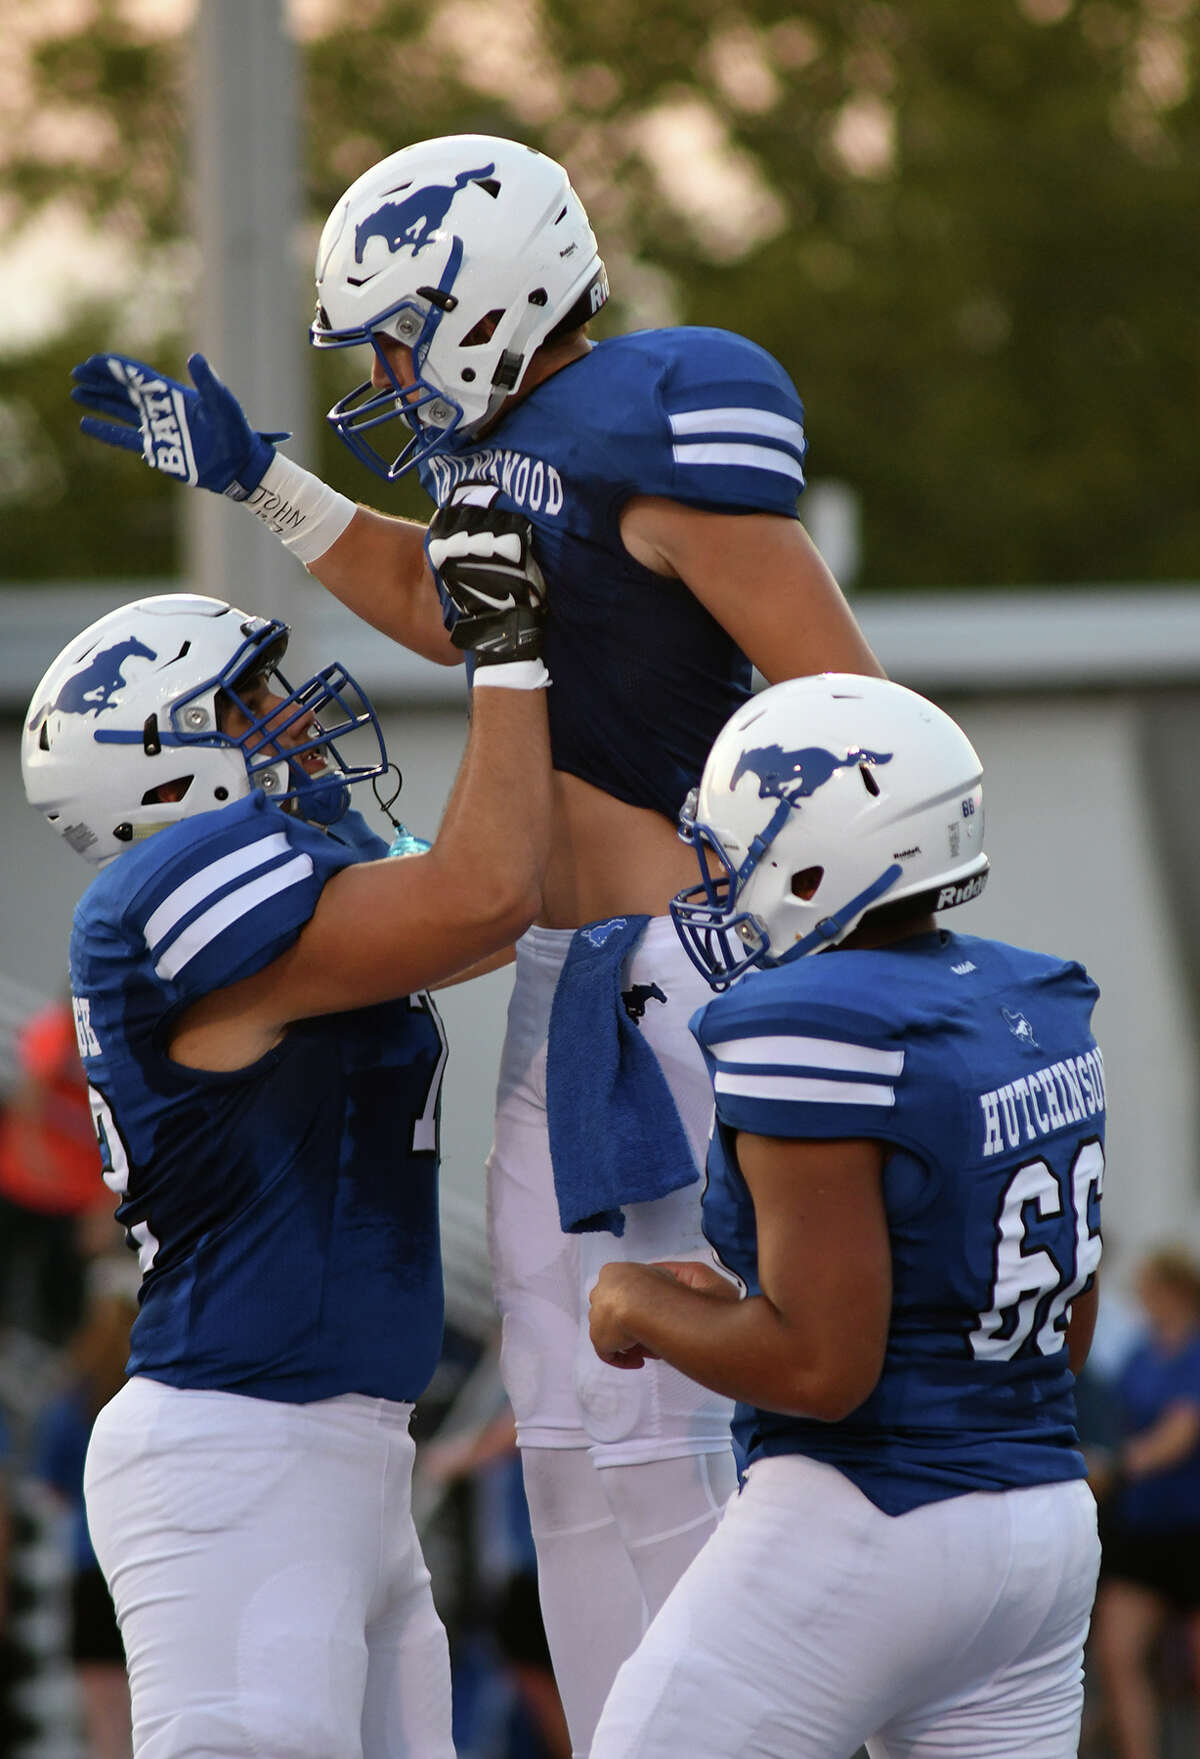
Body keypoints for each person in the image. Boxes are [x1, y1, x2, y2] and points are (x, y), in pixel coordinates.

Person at [69, 130, 883, 1753]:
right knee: (568, 1428)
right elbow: (459, 607)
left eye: (392, 331)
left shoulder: (653, 413)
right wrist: (272, 485)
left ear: (479, 293)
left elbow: (846, 702)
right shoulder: (506, 453)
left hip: (677, 975)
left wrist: (796, 924)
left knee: (673, 1423)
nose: (385, 370)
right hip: (564, 989)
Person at [19, 571, 552, 1758]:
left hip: (336, 1448)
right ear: (161, 763)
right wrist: (508, 655)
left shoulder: (274, 897)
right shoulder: (160, 899)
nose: (296, 717)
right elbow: (487, 890)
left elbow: (511, 900)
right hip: (240, 1444)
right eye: (250, 699)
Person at [587, 673, 1106, 1759]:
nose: (724, 881)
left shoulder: (811, 1021)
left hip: (871, 1509)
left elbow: (826, 1367)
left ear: (819, 853)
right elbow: (1056, 1321)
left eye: (742, 849)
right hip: (1045, 1521)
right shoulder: (1030, 998)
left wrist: (634, 1298)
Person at [1089, 1246, 1200, 1759]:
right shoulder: (1139, 1349)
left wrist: (1117, 1468)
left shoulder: (1195, 1351)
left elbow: (1181, 1432)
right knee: (1118, 1655)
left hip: (1191, 1525)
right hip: (1144, 1526)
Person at [31, 1255, 139, 1759]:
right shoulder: (151, 1386)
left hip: (88, 1557)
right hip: (145, 1555)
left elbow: (49, 1484)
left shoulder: (71, 1395)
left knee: (103, 1715)